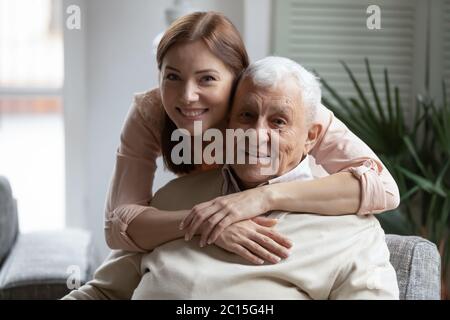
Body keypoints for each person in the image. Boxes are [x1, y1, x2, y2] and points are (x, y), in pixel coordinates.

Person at [63, 57, 399, 300]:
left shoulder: (354, 232)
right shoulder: (173, 198)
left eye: (278, 122)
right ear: (227, 124)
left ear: (311, 136)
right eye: (247, 116)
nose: (256, 135)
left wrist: (262, 198)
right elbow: (101, 293)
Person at [105, 11, 400, 264]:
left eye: (207, 78)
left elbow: (385, 188)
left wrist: (260, 197)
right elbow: (116, 225)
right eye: (172, 76)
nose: (187, 96)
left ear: (237, 79)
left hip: (295, 216)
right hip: (210, 224)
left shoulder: (282, 105)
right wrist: (211, 224)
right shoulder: (150, 112)